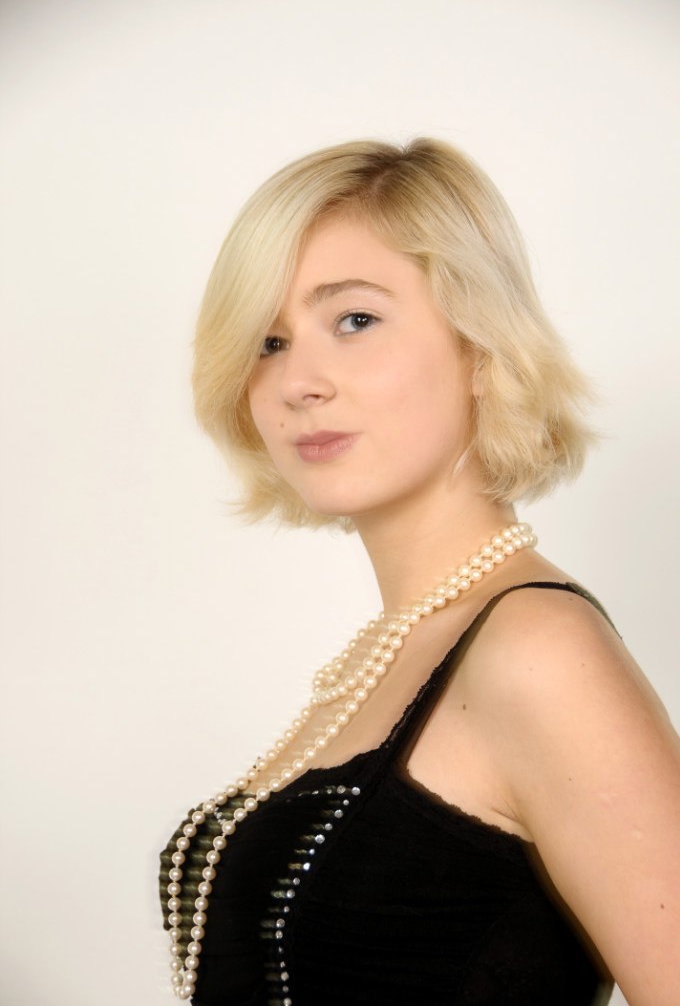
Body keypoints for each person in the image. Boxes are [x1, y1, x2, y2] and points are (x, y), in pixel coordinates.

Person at [159, 138, 680, 1006]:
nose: (297, 382)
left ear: (479, 345)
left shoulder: (539, 650)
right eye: (269, 340)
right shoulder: (389, 652)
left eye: (354, 321)